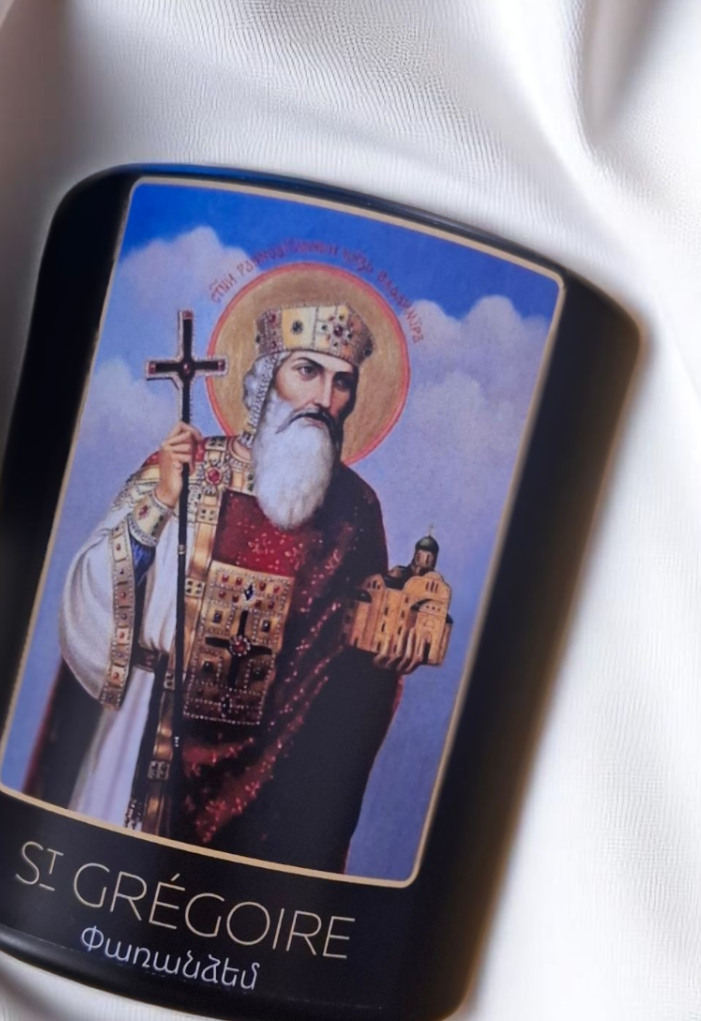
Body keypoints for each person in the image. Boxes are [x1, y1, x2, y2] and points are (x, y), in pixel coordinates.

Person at [27, 297, 424, 872]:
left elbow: (348, 662)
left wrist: (384, 660)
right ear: (267, 380)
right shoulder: (189, 465)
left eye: (342, 382)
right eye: (307, 371)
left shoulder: (355, 509)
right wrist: (163, 499)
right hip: (152, 730)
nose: (324, 398)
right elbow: (93, 585)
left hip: (276, 776)